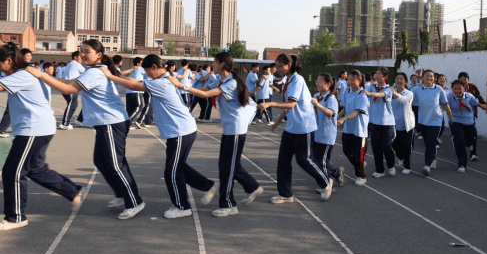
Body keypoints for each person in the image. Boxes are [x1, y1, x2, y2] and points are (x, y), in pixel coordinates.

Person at [26, 39, 145, 220]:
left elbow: (67, 89)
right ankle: (122, 193)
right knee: (101, 161)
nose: (82, 54)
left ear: (98, 54)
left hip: (112, 123)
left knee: (115, 163)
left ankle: (134, 201)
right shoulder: (92, 71)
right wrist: (40, 75)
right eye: (81, 51)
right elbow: (68, 81)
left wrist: (42, 76)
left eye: (87, 51)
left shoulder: (95, 73)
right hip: (106, 123)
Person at [98, 54, 219, 219]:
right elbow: (134, 83)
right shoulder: (165, 78)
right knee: (179, 166)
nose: (147, 76)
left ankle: (182, 206)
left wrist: (110, 76)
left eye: (148, 72)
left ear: (155, 67)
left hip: (181, 131)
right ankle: (208, 186)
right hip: (181, 130)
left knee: (172, 171)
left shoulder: (161, 82)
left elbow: (134, 85)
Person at [0, 43, 82, 231]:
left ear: (9, 61)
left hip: (33, 129)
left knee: (13, 171)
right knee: (36, 169)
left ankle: (16, 217)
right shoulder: (15, 73)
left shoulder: (22, 75)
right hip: (38, 128)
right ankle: (72, 191)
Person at [177, 52, 262, 217]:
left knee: (227, 168)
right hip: (230, 130)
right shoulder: (222, 80)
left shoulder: (230, 83)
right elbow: (202, 89)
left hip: (235, 130)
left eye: (214, 62)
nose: (212, 65)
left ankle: (229, 204)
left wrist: (182, 86)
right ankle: (252, 187)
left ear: (222, 64)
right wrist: (180, 87)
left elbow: (206, 95)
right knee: (230, 165)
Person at [258, 54, 333, 203]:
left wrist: (269, 104)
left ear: (289, 64)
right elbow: (288, 106)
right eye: (277, 66)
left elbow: (291, 104)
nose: (278, 69)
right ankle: (285, 194)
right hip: (291, 127)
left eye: (280, 66)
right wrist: (277, 123)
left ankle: (326, 181)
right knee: (283, 161)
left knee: (304, 159)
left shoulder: (298, 80)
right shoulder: (288, 80)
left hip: (304, 126)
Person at [411, 70, 454, 176]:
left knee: (431, 142)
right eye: (427, 76)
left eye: (431, 76)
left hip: (436, 120)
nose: (429, 78)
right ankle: (433, 158)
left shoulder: (438, 89)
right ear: (422, 78)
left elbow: (444, 104)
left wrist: (450, 116)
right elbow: (408, 100)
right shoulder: (417, 90)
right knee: (427, 143)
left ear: (434, 78)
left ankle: (427, 165)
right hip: (422, 121)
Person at [311, 73, 345, 189]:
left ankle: (326, 185)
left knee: (322, 161)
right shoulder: (316, 95)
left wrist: (318, 105)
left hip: (326, 134)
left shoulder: (331, 99)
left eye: (320, 82)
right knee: (317, 160)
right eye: (317, 81)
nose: (317, 84)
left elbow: (331, 113)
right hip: (316, 132)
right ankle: (337, 172)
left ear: (328, 84)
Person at [337, 70, 370, 186]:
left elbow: (357, 112)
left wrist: (343, 119)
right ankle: (359, 163)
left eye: (352, 80)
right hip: (348, 128)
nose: (350, 82)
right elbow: (344, 108)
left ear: (359, 80)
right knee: (346, 150)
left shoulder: (363, 95)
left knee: (357, 154)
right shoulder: (347, 92)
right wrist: (338, 116)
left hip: (359, 130)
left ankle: (361, 176)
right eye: (349, 80)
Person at [447, 80, 487, 173]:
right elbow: (443, 102)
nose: (457, 91)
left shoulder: (469, 96)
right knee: (459, 140)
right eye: (455, 89)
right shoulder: (449, 96)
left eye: (459, 89)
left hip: (468, 121)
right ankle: (462, 164)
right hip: (455, 121)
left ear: (464, 89)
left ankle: (469, 144)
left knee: (470, 140)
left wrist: (483, 106)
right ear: (452, 89)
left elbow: (476, 103)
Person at [363, 67, 396, 178]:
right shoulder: (372, 87)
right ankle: (379, 169)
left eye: (379, 74)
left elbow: (380, 95)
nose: (376, 76)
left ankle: (391, 165)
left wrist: (370, 93)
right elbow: (363, 89)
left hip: (387, 123)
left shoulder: (388, 90)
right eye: (376, 74)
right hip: (374, 122)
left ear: (385, 77)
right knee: (376, 147)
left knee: (387, 146)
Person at [1, 49, 33, 137]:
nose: (29, 58)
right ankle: (1, 129)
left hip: (21, 90)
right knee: (10, 109)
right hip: (15, 89)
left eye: (30, 57)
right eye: (27, 57)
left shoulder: (28, 68)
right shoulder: (17, 68)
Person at [458, 72, 487, 161]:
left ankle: (473, 153)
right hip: (459, 115)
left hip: (471, 114)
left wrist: (484, 104)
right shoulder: (457, 88)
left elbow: (479, 96)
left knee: (473, 133)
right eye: (462, 79)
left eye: (465, 79)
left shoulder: (472, 87)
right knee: (462, 134)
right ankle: (465, 147)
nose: (464, 80)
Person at [390, 73, 415, 174]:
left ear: (405, 82)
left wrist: (395, 94)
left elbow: (404, 100)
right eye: (397, 79)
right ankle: (400, 156)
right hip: (394, 124)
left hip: (406, 124)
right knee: (394, 145)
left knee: (407, 146)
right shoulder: (391, 92)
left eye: (401, 79)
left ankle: (407, 166)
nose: (399, 81)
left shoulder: (409, 93)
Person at [126, 57, 145, 129]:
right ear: (138, 64)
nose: (142, 64)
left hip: (129, 91)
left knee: (130, 109)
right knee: (139, 107)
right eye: (141, 63)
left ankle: (127, 122)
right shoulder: (140, 69)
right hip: (136, 91)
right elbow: (149, 72)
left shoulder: (131, 70)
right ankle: (127, 122)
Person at [436, 74, 449, 148]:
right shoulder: (435, 88)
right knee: (436, 126)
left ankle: (437, 137)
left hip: (442, 110)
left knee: (442, 126)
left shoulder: (446, 90)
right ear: (437, 80)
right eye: (440, 79)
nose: (442, 80)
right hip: (435, 110)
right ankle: (435, 141)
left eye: (443, 79)